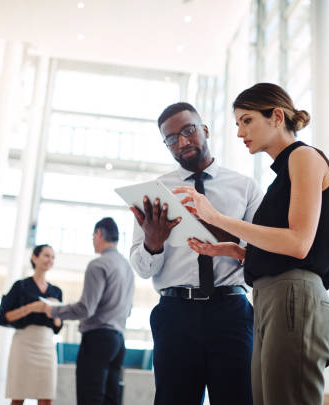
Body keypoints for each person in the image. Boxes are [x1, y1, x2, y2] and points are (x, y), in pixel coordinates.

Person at [174, 82, 329, 405]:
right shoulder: (282, 176)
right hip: (272, 298)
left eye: (246, 120)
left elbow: (299, 243)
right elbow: (287, 244)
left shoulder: (304, 157)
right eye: (237, 123)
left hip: (293, 296)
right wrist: (237, 252)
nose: (240, 133)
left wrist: (218, 219)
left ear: (277, 116)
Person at [129, 102, 263, 405]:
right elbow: (142, 267)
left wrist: (217, 226)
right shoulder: (156, 193)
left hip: (231, 312)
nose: (182, 141)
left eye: (188, 131)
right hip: (175, 314)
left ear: (205, 130)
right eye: (172, 138)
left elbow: (263, 253)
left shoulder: (244, 188)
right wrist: (153, 242)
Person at [46, 217, 134, 405]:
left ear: (99, 233)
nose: (93, 240)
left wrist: (53, 310)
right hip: (118, 340)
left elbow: (86, 308)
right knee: (111, 398)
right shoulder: (127, 266)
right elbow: (129, 309)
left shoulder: (98, 264)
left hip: (97, 339)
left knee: (89, 397)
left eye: (93, 236)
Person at [0, 244, 63, 405]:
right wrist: (32, 307)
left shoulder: (56, 291)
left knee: (46, 395)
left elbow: (58, 326)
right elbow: (5, 316)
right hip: (24, 343)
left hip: (46, 344)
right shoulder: (21, 286)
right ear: (34, 258)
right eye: (46, 255)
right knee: (18, 394)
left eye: (53, 257)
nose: (50, 260)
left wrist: (54, 312)